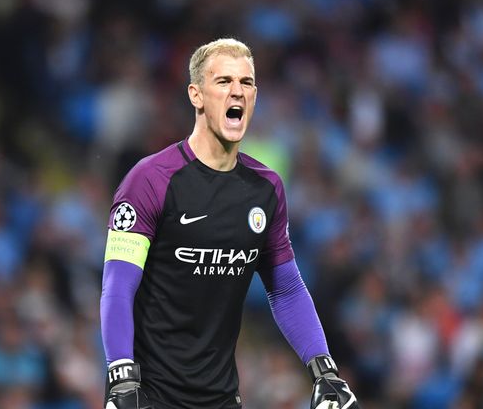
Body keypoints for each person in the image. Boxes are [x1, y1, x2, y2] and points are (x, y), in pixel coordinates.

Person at [99, 38, 359, 409]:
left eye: (247, 82)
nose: (237, 91)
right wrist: (121, 376)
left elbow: (285, 289)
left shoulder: (265, 188)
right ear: (196, 95)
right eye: (223, 81)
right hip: (148, 397)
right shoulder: (150, 179)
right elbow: (118, 285)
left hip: (222, 398)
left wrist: (325, 371)